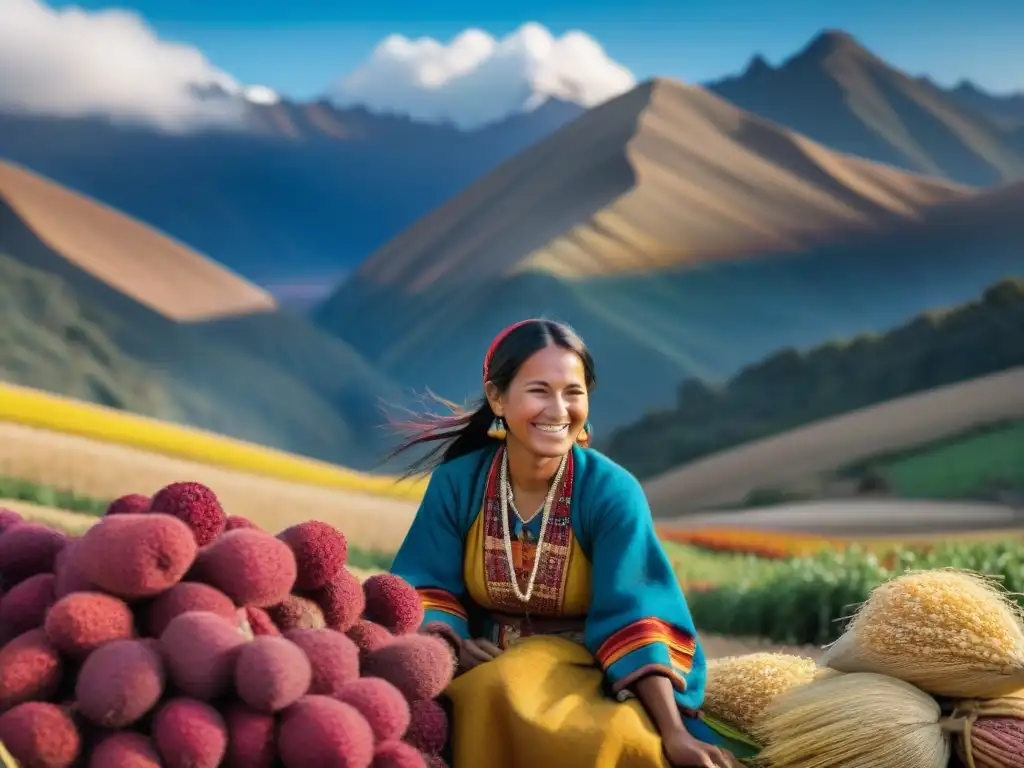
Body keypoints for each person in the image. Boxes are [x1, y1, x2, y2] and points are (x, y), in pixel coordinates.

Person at [388, 319, 757, 768]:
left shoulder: (610, 491)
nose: (558, 409)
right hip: (480, 668)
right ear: (497, 397)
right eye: (540, 391)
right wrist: (454, 645)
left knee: (623, 742)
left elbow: (637, 612)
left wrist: (674, 733)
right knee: (472, 700)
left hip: (597, 672)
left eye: (573, 392)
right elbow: (422, 584)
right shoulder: (458, 484)